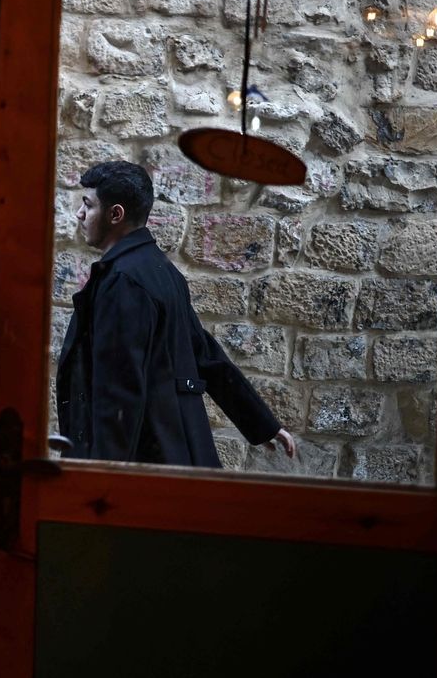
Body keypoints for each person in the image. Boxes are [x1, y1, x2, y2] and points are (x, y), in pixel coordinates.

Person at [56, 160, 297, 465]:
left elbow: (119, 396)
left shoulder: (123, 280)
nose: (79, 214)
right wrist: (262, 423)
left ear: (115, 214)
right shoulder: (159, 269)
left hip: (147, 464)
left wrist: (104, 476)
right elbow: (205, 354)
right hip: (178, 454)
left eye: (88, 205)